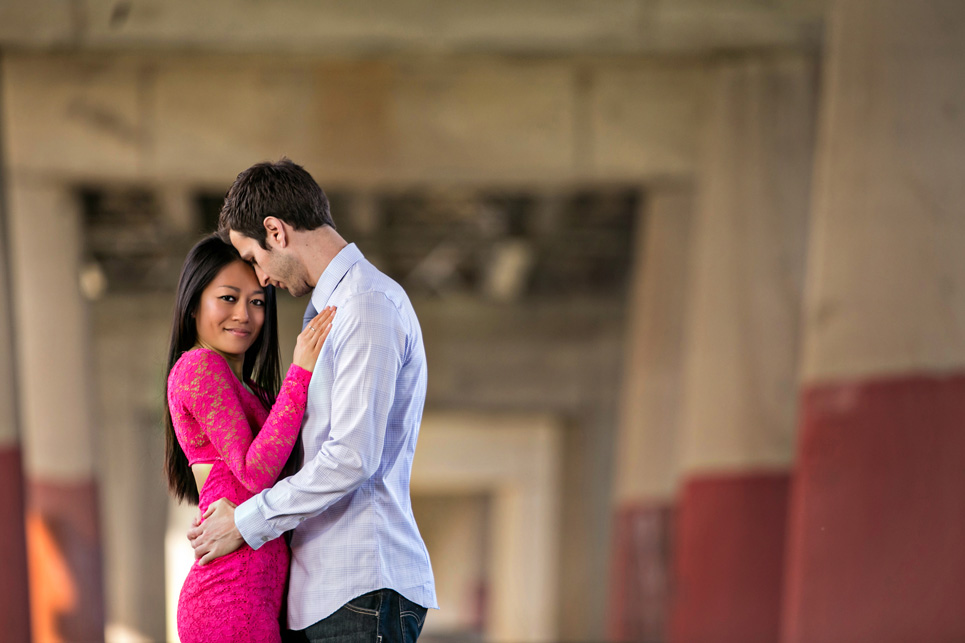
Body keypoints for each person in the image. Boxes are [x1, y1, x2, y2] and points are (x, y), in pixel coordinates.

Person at [187, 159, 437, 643]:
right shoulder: (328, 310)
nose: (260, 279)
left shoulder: (367, 305)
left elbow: (352, 457)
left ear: (275, 231)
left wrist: (245, 521)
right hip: (329, 591)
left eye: (253, 257)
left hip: (360, 588)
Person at [164, 233, 335, 643]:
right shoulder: (198, 366)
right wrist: (301, 372)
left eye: (257, 302)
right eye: (228, 298)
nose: (244, 314)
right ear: (193, 306)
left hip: (259, 595)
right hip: (228, 597)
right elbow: (255, 473)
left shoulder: (255, 392)